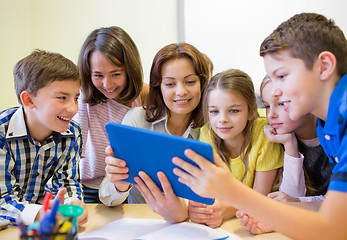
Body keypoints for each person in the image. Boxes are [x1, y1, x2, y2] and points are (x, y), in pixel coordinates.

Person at [172, 12, 347, 239]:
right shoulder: (328, 126)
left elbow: (333, 228)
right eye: (271, 79)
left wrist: (230, 191)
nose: (274, 91)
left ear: (324, 66)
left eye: (282, 76)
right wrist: (277, 215)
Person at [99, 42, 210, 223]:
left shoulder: (213, 126)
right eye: (170, 83)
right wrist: (119, 184)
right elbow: (107, 197)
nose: (181, 91)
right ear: (158, 87)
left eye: (190, 82)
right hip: (143, 222)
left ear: (202, 84)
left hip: (194, 224)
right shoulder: (137, 120)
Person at [0, 50, 88, 226]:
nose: (73, 108)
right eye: (62, 98)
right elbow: (3, 199)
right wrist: (41, 213)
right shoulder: (2, 133)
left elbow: (67, 182)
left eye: (76, 98)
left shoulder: (72, 134)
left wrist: (73, 205)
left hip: (35, 226)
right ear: (29, 100)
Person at [187, 69, 283, 228]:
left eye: (233, 111)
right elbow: (210, 192)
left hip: (262, 218)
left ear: (251, 111)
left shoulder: (264, 134)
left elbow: (260, 197)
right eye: (214, 111)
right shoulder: (207, 133)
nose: (222, 119)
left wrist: (225, 210)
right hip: (232, 219)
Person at [73, 26, 149, 203]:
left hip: (128, 188)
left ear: (130, 70)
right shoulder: (83, 96)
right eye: (98, 75)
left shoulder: (145, 95)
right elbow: (76, 147)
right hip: (89, 188)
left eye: (115, 74)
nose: (107, 84)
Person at [261, 76, 331, 202]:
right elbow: (289, 199)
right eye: (266, 106)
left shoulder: (334, 136)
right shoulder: (276, 139)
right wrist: (290, 144)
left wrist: (300, 202)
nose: (271, 115)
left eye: (282, 104)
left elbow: (340, 203)